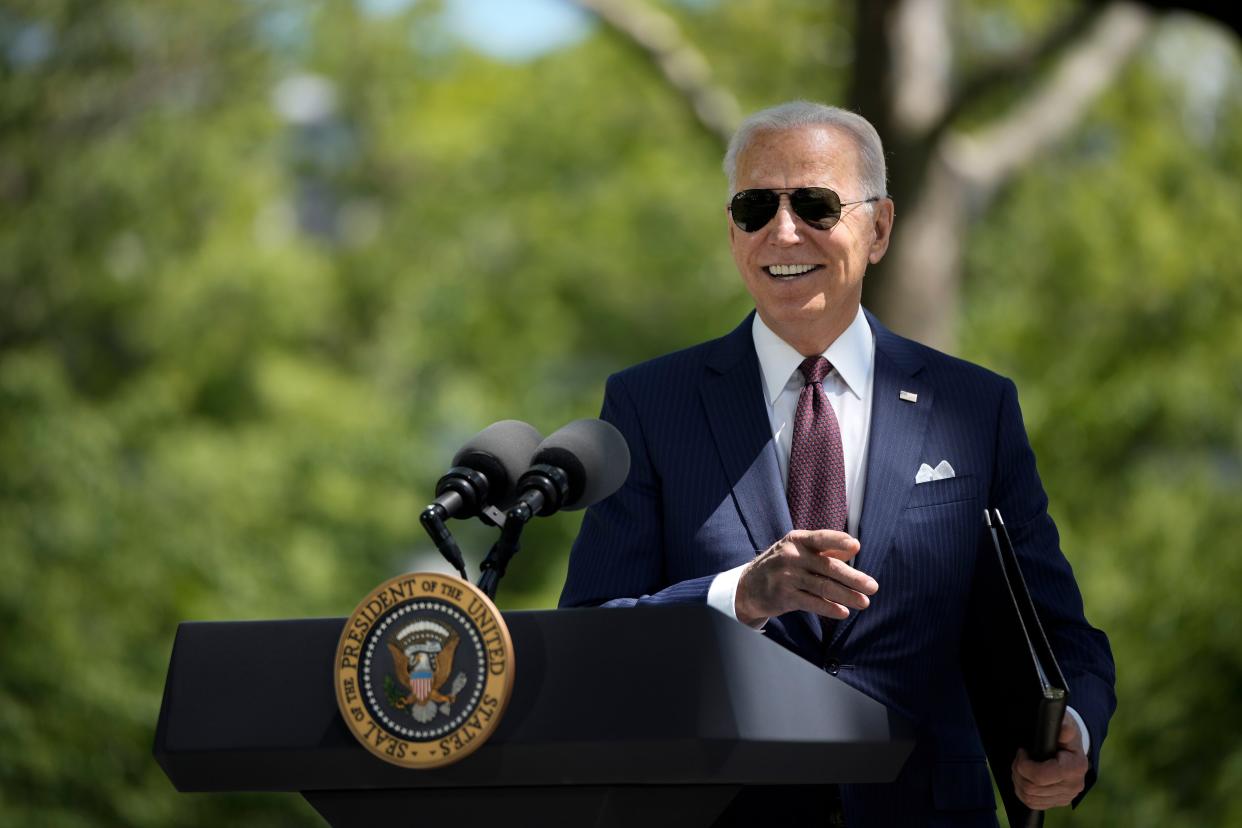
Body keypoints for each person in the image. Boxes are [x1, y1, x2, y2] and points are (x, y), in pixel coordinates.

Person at [558, 101, 1115, 826]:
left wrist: (1070, 734)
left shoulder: (976, 408)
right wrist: (740, 597)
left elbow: (1060, 636)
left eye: (817, 205)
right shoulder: (648, 405)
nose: (783, 231)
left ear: (879, 228)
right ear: (732, 230)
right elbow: (591, 639)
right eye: (756, 206)